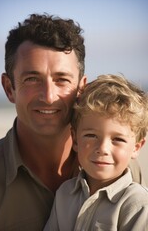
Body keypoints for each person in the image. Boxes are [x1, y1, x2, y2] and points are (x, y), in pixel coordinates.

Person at [0, 14, 145, 230]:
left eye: (62, 79)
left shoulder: (124, 168)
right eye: (32, 79)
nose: (49, 96)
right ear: (9, 88)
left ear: (81, 88)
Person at [44, 74, 148, 231]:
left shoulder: (138, 203)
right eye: (91, 136)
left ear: (136, 147)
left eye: (118, 139)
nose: (103, 149)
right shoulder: (64, 194)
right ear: (75, 140)